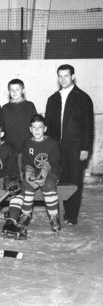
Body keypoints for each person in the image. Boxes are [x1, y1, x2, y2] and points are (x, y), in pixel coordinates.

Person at [45, 64, 94, 225]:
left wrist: (85, 148)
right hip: (56, 148)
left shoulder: (83, 98)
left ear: (73, 76)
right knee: (60, 179)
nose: (63, 79)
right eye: (60, 76)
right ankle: (60, 211)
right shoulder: (52, 99)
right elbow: (48, 126)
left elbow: (88, 125)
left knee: (74, 181)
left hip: (75, 147)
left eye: (66, 76)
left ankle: (72, 215)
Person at [18, 114, 61, 238]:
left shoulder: (52, 143)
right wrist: (29, 173)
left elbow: (55, 161)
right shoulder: (27, 144)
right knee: (27, 184)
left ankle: (53, 216)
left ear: (45, 129)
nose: (37, 130)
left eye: (40, 127)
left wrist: (44, 171)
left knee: (48, 184)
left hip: (51, 172)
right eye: (34, 127)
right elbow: (26, 162)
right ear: (30, 129)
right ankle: (25, 214)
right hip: (34, 172)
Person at [1, 79, 37, 178]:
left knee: (27, 175)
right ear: (8, 91)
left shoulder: (30, 106)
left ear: (23, 90)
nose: (14, 92)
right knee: (13, 176)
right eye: (11, 90)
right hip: (11, 148)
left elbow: (36, 125)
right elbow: (2, 129)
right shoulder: (5, 108)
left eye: (17, 89)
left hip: (27, 147)